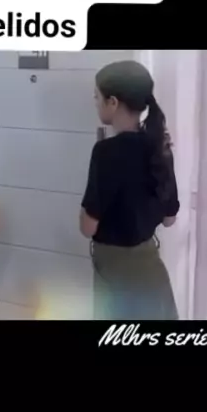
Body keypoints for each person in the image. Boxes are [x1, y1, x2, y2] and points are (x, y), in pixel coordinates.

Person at [79, 61, 180, 320]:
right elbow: (169, 219)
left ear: (112, 102)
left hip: (117, 277)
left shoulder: (105, 152)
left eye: (97, 97)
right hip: (152, 273)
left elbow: (87, 227)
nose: (95, 103)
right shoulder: (160, 146)